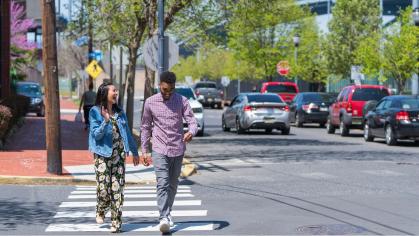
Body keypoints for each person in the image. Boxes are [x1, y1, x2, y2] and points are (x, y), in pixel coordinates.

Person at [140, 71, 198, 233]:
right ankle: (163, 216)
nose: (168, 93)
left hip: (178, 148)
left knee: (173, 184)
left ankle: (168, 213)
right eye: (165, 90)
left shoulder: (182, 101)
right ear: (160, 85)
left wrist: (191, 132)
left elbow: (192, 121)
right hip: (159, 148)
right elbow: (145, 127)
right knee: (163, 183)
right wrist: (144, 150)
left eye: (171, 90)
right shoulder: (150, 102)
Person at [88, 81, 140, 233]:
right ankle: (101, 208)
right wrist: (105, 121)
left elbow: (127, 134)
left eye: (117, 91)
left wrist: (135, 152)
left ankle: (116, 223)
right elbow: (96, 135)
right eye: (114, 91)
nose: (116, 93)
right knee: (104, 189)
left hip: (119, 157)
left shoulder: (120, 113)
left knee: (117, 190)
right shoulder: (95, 112)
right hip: (102, 155)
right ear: (105, 94)